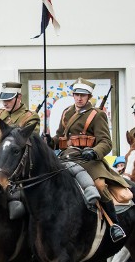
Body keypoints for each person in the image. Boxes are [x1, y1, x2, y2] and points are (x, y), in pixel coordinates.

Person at [48, 78, 130, 242]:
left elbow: (106, 142)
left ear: (89, 97)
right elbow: (60, 137)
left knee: (99, 185)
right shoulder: (67, 112)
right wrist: (50, 141)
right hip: (66, 157)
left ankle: (114, 224)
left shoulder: (97, 115)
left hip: (88, 160)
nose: (79, 98)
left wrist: (93, 152)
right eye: (77, 94)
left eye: (83, 95)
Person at [0, 82, 40, 156]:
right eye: (3, 100)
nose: (5, 103)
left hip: (14, 161)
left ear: (19, 97)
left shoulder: (30, 117)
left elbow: (30, 142)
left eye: (9, 100)